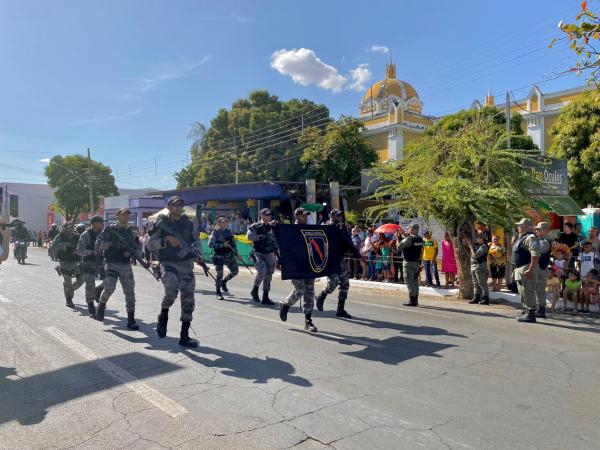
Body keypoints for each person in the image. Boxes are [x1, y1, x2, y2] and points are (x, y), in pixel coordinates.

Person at [147, 196, 204, 347]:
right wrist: (166, 241)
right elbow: (149, 245)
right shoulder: (161, 224)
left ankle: (184, 336)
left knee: (188, 301)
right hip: (168, 263)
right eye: (174, 205)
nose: (177, 208)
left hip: (186, 264)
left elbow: (196, 241)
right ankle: (163, 314)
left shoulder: (189, 224)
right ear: (169, 207)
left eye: (180, 205)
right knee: (171, 292)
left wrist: (198, 254)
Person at [94, 208, 142, 329]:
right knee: (110, 288)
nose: (126, 217)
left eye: (127, 215)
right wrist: (107, 245)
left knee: (130, 292)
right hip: (111, 263)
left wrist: (132, 253)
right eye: (123, 214)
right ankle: (101, 305)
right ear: (118, 216)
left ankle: (131, 319)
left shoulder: (130, 231)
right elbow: (98, 243)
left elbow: (136, 246)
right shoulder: (109, 229)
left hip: (125, 264)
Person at [316, 209, 361, 318]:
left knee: (345, 283)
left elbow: (348, 241)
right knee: (334, 282)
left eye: (341, 215)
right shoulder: (326, 224)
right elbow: (322, 234)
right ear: (332, 216)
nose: (340, 217)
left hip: (340, 258)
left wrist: (356, 253)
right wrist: (336, 228)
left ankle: (340, 309)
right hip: (330, 259)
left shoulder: (342, 227)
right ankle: (321, 296)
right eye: (338, 215)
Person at [278, 207, 318, 332]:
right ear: (297, 216)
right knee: (300, 290)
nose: (305, 218)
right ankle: (286, 304)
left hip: (309, 264)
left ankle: (308, 320)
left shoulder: (309, 229)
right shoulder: (290, 230)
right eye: (303, 216)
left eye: (306, 215)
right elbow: (283, 244)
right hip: (295, 265)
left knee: (310, 292)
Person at [247, 208, 278, 305]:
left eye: (270, 215)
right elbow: (249, 237)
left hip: (269, 253)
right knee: (262, 271)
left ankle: (265, 296)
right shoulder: (255, 226)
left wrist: (276, 251)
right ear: (262, 216)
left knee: (269, 274)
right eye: (266, 215)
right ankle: (255, 290)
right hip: (258, 252)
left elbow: (275, 239)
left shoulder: (272, 226)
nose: (269, 217)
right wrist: (259, 237)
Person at [76, 216, 105, 318]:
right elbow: (79, 250)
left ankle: (99, 289)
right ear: (94, 223)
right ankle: (91, 307)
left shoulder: (104, 234)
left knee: (109, 282)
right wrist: (91, 252)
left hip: (102, 263)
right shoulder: (86, 235)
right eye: (100, 222)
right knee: (90, 284)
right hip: (89, 262)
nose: (102, 224)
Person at [512, 218, 540, 323]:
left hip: (526, 267)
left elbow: (535, 255)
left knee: (528, 291)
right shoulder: (522, 237)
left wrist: (530, 270)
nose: (518, 227)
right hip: (520, 268)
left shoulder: (531, 238)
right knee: (523, 291)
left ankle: (531, 313)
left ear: (527, 227)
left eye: (520, 225)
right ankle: (526, 311)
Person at [52, 221, 84, 308]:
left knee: (81, 280)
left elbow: (83, 246)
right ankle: (68, 299)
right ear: (64, 228)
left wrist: (79, 251)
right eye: (69, 227)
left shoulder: (77, 236)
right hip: (64, 262)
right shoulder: (60, 236)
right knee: (67, 282)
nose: (71, 228)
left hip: (75, 263)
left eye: (72, 227)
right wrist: (64, 245)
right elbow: (53, 246)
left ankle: (70, 290)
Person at [209, 216, 240, 299]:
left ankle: (224, 281)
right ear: (219, 223)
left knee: (235, 271)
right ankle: (218, 292)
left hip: (229, 255)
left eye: (227, 221)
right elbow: (210, 245)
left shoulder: (229, 232)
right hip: (218, 255)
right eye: (223, 222)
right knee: (219, 274)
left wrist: (236, 253)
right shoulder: (215, 232)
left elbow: (233, 244)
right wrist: (222, 245)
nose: (226, 223)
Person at [396, 223, 423, 306]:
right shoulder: (420, 239)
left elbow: (398, 247)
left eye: (409, 228)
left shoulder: (409, 239)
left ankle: (412, 300)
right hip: (417, 263)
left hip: (408, 263)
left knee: (409, 281)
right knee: (415, 281)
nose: (408, 230)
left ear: (412, 229)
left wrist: (398, 238)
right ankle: (415, 299)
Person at [533, 222, 552, 318]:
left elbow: (537, 252)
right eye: (536, 229)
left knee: (540, 289)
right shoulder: (539, 240)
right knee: (536, 289)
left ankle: (541, 309)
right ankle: (537, 308)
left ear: (545, 230)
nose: (536, 231)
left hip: (540, 268)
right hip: (537, 267)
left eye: (538, 229)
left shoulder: (545, 241)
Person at [468, 234, 489, 305]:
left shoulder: (484, 246)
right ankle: (476, 298)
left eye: (478, 238)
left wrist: (470, 247)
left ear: (482, 239)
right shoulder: (478, 246)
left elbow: (475, 255)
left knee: (482, 282)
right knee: (475, 283)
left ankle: (485, 298)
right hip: (474, 265)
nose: (476, 239)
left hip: (480, 266)